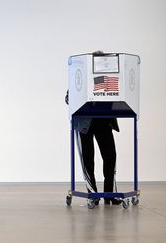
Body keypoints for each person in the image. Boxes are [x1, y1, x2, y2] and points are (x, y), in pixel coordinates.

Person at [66, 51, 121, 205]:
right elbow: (68, 98)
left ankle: (109, 194)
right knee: (88, 160)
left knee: (110, 156)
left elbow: (117, 94)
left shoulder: (111, 78)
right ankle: (93, 194)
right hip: (85, 124)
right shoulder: (80, 78)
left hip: (104, 122)